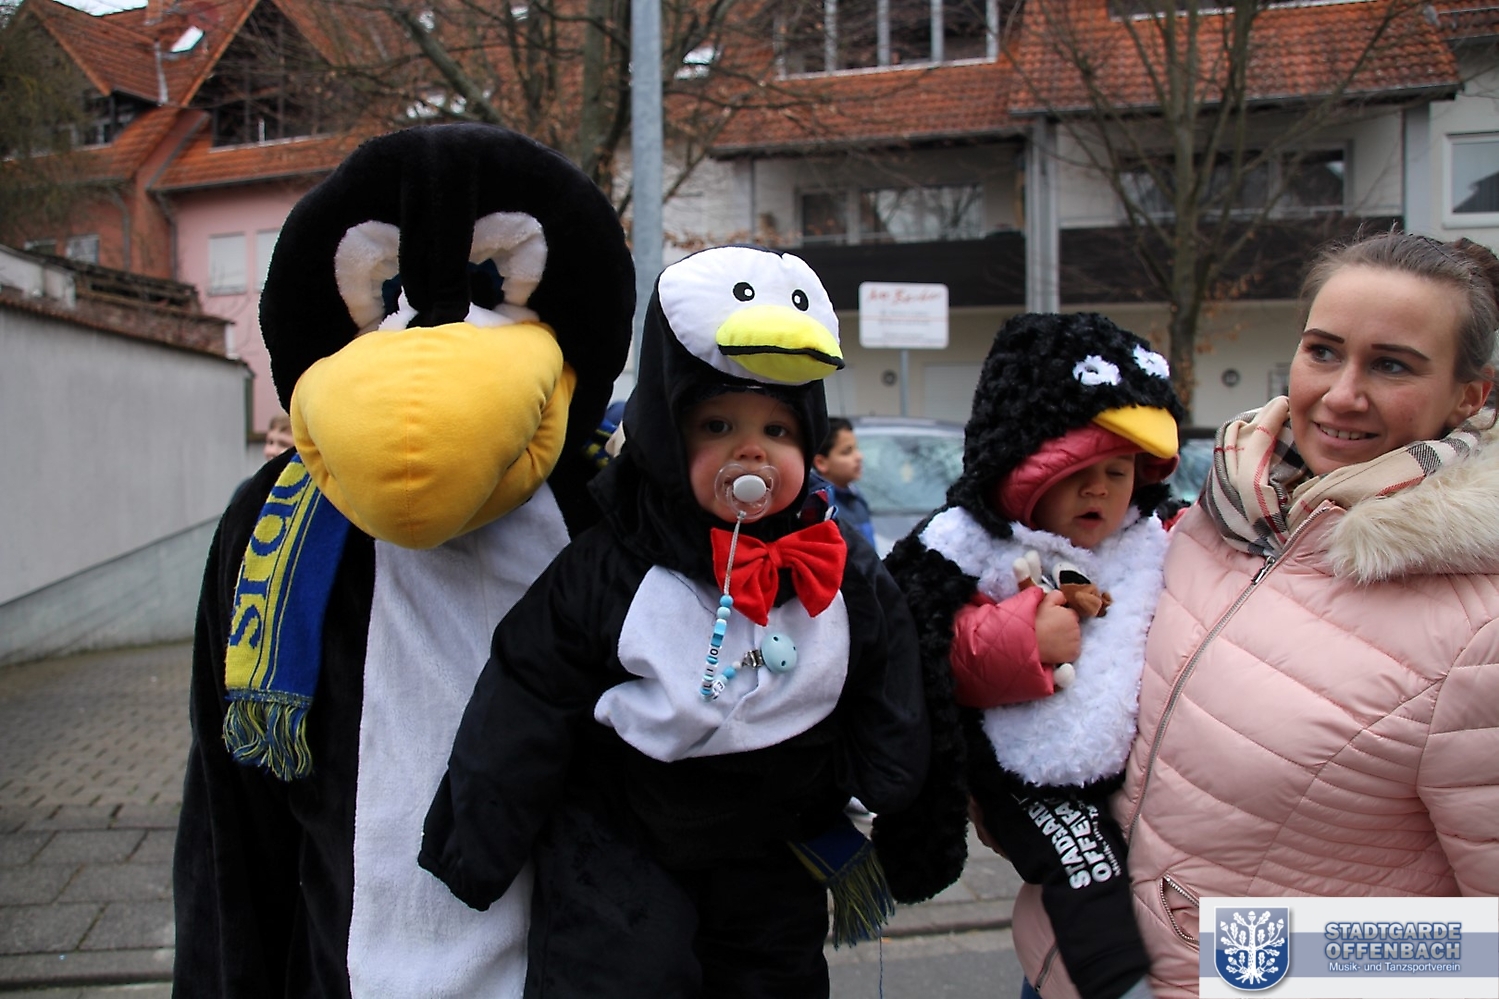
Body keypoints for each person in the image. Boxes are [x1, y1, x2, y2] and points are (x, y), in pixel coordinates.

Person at [420, 245, 929, 997]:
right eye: (717, 424)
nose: (752, 450)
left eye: (779, 430)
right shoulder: (612, 565)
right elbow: (530, 684)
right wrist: (477, 840)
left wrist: (891, 778)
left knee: (774, 974)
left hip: (774, 831)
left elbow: (889, 666)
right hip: (631, 824)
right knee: (621, 968)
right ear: (667, 434)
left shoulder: (838, 559)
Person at [1010, 230, 1499, 999]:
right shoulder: (1216, 514)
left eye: (1391, 365)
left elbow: (1480, 950)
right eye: (1323, 351)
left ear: (1469, 396)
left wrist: (1240, 959)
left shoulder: (1481, 631)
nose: (1341, 393)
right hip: (1061, 964)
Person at [881, 312, 1184, 999]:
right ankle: (1121, 985)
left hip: (1136, 777)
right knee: (1084, 870)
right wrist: (1022, 639)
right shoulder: (969, 544)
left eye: (1118, 471)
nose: (1100, 489)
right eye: (1077, 470)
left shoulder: (1158, 537)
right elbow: (913, 646)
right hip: (1026, 769)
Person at [810, 416, 877, 547]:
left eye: (856, 448)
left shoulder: (857, 499)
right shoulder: (819, 509)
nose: (859, 456)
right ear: (821, 463)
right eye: (847, 452)